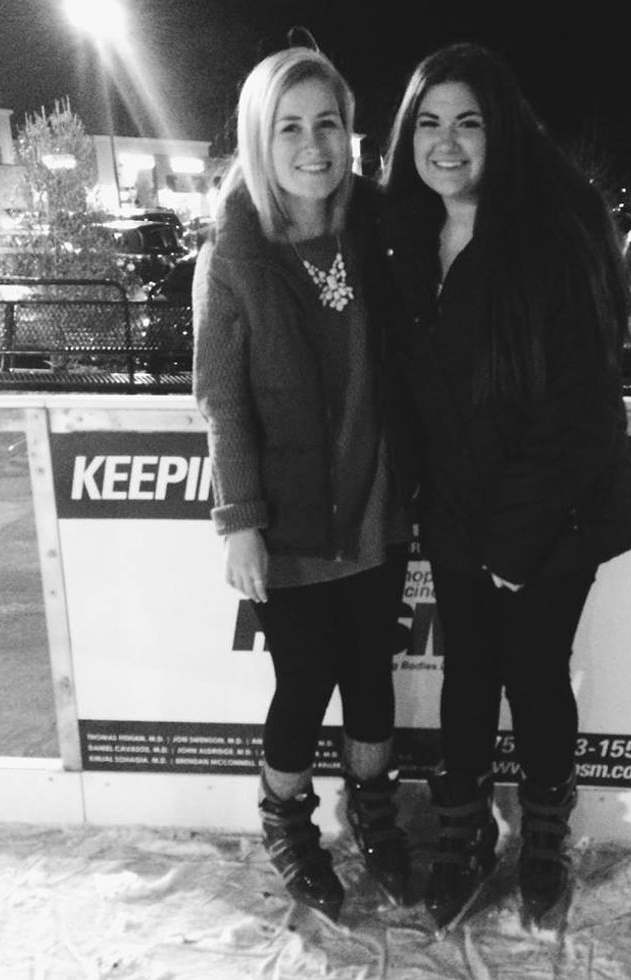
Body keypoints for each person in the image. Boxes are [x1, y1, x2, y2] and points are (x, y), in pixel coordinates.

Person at [379, 42, 631, 929]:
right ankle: (462, 833)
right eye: (429, 122)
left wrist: (513, 541)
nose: (446, 142)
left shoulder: (554, 232)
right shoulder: (408, 235)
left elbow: (582, 409)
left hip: (554, 515)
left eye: (468, 122)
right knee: (466, 674)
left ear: (503, 131)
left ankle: (543, 833)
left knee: (532, 674)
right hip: (460, 506)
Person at [192, 43, 415, 921]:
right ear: (259, 137)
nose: (313, 145)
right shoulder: (234, 253)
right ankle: (286, 818)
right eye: (290, 127)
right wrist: (239, 520)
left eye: (328, 123)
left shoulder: (375, 228)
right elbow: (222, 400)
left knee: (370, 678)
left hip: (377, 509)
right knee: (305, 682)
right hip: (289, 520)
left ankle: (373, 807)